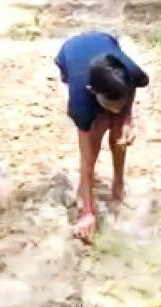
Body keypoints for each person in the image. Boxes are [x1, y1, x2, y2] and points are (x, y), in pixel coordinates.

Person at [55, 32, 149, 243]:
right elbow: (86, 161)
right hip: (70, 53)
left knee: (119, 131)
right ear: (92, 91)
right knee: (94, 142)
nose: (117, 107)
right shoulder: (81, 104)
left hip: (106, 42)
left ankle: (119, 187)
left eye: (121, 100)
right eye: (111, 103)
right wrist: (87, 213)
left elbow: (130, 89)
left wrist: (126, 117)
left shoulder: (132, 73)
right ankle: (84, 195)